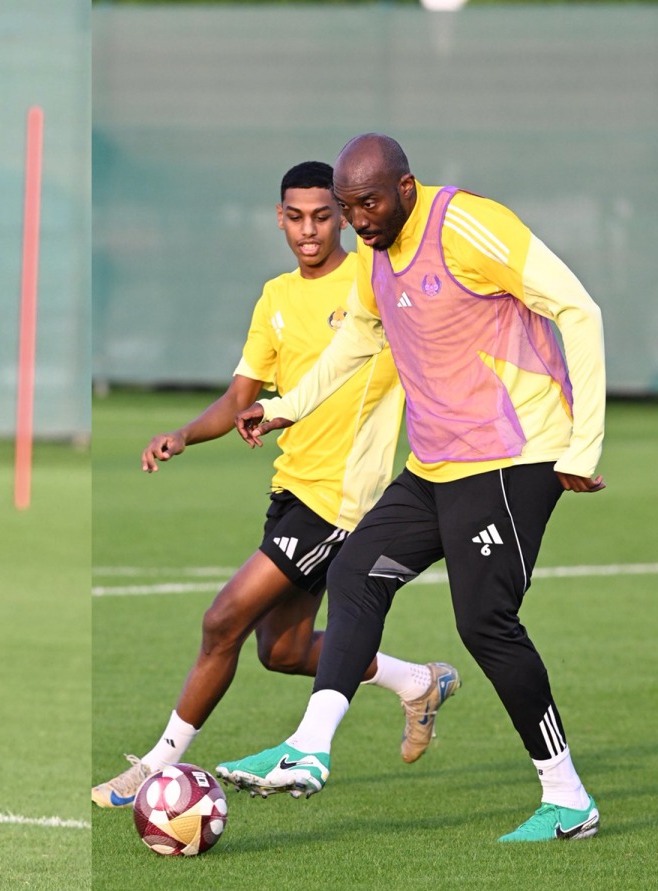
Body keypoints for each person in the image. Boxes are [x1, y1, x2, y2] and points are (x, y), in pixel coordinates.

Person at [217, 134, 606, 843]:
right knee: (356, 569)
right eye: (348, 207)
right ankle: (309, 746)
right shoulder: (374, 258)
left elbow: (580, 309)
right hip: (436, 461)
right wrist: (283, 405)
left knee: (484, 621)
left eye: (368, 203)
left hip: (515, 455)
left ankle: (568, 795)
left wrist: (585, 444)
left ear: (406, 187)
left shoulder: (467, 225)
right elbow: (358, 340)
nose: (358, 220)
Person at [93, 162, 460, 810]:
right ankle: (416, 681)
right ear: (280, 217)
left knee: (222, 619)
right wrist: (183, 433)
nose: (309, 230)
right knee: (283, 649)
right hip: (291, 491)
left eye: (323, 215)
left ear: (344, 216)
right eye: (296, 216)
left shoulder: (374, 281)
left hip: (341, 501)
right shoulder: (275, 297)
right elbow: (240, 397)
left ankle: (154, 768)